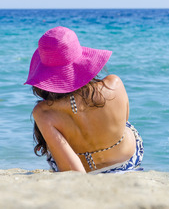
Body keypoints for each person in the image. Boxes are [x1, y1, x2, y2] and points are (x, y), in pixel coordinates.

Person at [25, 26, 143, 173]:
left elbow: (74, 172)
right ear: (83, 62)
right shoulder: (114, 84)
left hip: (87, 170)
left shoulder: (43, 112)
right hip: (126, 160)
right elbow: (122, 122)